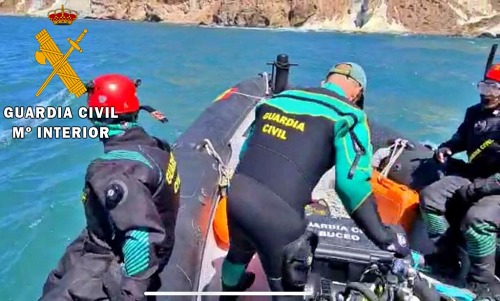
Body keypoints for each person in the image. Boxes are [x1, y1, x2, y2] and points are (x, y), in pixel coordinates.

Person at [220, 63, 410, 300]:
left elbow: (248, 151)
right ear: (357, 91)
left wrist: (290, 187)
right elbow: (351, 184)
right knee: (287, 286)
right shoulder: (349, 115)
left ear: (326, 80)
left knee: (238, 251)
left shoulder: (278, 99)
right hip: (277, 215)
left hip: (239, 193)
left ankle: (227, 293)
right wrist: (383, 238)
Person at [39, 74, 181, 301]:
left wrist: (130, 294)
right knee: (57, 276)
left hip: (111, 259)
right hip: (109, 236)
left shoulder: (111, 171)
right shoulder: (157, 147)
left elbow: (141, 238)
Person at [419, 63, 500, 298]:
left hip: (495, 186)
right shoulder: (474, 113)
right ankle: (447, 257)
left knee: (478, 219)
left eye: (494, 88)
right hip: (474, 175)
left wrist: (479, 189)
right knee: (430, 197)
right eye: (484, 86)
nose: (487, 94)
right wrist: (448, 147)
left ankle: (483, 281)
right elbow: (462, 137)